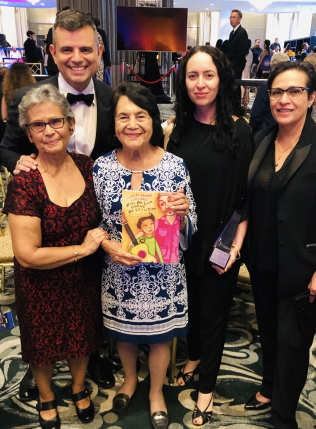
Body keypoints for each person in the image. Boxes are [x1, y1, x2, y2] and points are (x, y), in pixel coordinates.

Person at [0, 8, 116, 402]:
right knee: (42, 317)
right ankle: (44, 376)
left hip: (92, 219)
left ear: (99, 51)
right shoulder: (24, 99)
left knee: (88, 310)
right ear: (52, 51)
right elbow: (6, 146)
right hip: (41, 213)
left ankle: (91, 361)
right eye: (67, 49)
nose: (77, 57)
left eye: (86, 48)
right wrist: (17, 161)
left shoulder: (115, 97)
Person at [245, 60, 316, 428]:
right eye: (277, 91)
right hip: (261, 259)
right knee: (269, 330)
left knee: (293, 342)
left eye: (294, 91)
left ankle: (282, 417)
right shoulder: (261, 139)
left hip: (305, 265)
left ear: (311, 98)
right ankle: (268, 385)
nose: (284, 99)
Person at [3, 84, 109, 429]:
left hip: (84, 277)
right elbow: (27, 255)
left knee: (82, 336)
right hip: (40, 280)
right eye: (38, 125)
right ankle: (46, 395)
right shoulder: (25, 181)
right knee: (41, 343)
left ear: (70, 125)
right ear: (28, 134)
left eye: (56, 121)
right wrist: (83, 249)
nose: (49, 130)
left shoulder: (88, 167)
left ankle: (78, 388)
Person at [93, 83, 197, 429]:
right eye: (123, 116)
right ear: (114, 123)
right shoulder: (100, 168)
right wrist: (107, 244)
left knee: (159, 338)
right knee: (123, 334)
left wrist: (183, 214)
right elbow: (90, 223)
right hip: (118, 272)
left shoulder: (175, 166)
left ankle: (155, 391)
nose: (132, 124)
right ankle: (129, 379)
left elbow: (192, 224)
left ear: (153, 120)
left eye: (140, 115)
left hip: (162, 277)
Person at [166, 46, 254, 426]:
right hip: (183, 240)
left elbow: (247, 199)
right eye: (192, 76)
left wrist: (235, 245)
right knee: (193, 308)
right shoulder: (177, 130)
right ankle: (193, 357)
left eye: (208, 75)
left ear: (222, 79)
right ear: (183, 82)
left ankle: (205, 391)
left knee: (214, 315)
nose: (200, 84)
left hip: (222, 241)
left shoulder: (240, 130)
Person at [250, 52, 290, 134]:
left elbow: (256, 113)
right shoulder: (294, 87)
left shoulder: (266, 85)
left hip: (266, 131)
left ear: (272, 67)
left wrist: (252, 130)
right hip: (287, 130)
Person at [226, 9, 248, 79]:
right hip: (230, 66)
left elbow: (242, 53)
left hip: (236, 67)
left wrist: (235, 66)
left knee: (235, 87)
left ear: (239, 19)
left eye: (234, 17)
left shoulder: (242, 32)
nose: (231, 19)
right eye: (230, 17)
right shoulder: (232, 33)